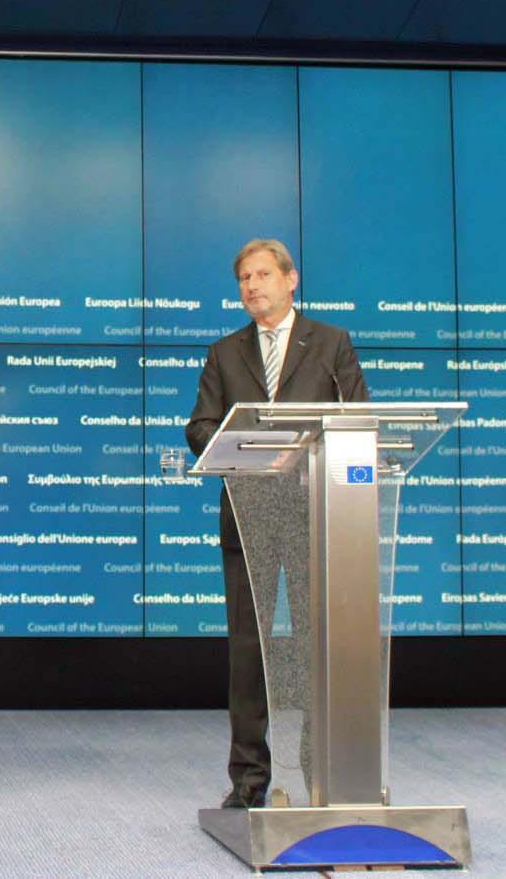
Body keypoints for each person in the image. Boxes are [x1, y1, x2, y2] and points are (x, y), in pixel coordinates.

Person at [187, 238, 367, 810]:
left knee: (317, 644)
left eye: (263, 275)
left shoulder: (331, 344)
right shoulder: (225, 353)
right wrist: (250, 447)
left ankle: (322, 768)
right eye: (244, 278)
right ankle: (248, 779)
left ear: (291, 280)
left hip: (316, 515)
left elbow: (357, 418)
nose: (252, 286)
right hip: (249, 516)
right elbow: (200, 427)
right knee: (249, 651)